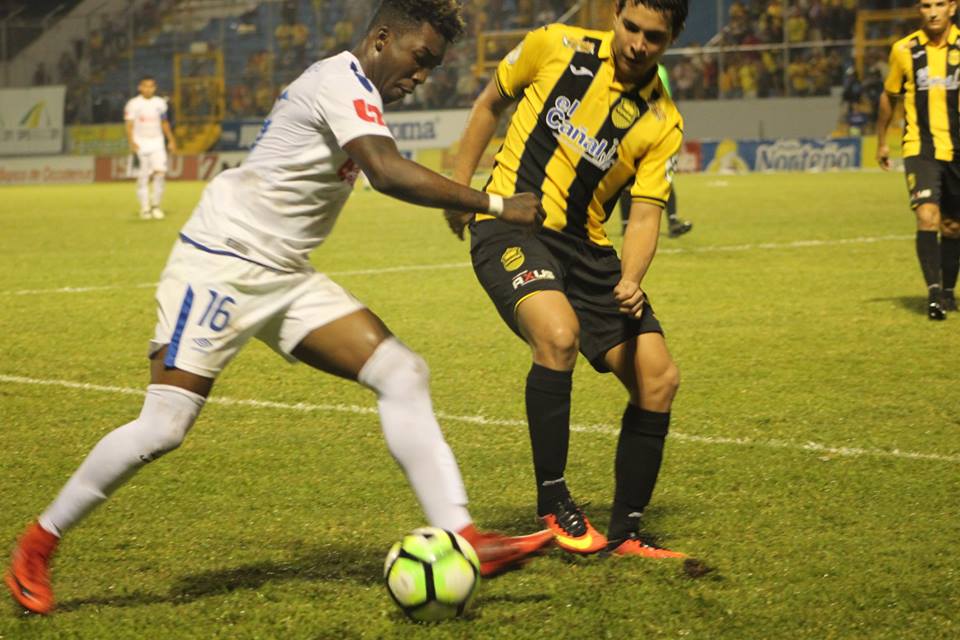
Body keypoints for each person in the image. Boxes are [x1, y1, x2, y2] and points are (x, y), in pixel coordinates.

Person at [5, 0, 552, 616]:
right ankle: (38, 543)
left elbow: (384, 167)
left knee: (401, 371)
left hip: (283, 274)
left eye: (431, 65)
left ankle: (463, 535)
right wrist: (497, 204)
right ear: (380, 39)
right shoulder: (338, 81)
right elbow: (386, 172)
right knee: (163, 425)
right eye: (419, 58)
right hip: (221, 264)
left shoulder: (358, 92)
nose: (422, 74)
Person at [444, 0, 689, 558]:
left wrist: (632, 276)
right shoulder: (554, 45)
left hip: (590, 251)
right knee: (557, 336)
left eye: (653, 37)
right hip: (510, 226)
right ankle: (553, 501)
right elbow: (488, 105)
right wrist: (461, 191)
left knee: (659, 378)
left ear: (669, 41)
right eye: (630, 27)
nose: (636, 44)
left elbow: (646, 212)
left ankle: (627, 532)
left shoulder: (662, 121)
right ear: (617, 15)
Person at [876, 0, 960, 320]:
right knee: (928, 216)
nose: (933, 11)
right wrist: (882, 141)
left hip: (957, 149)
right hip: (920, 147)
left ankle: (949, 292)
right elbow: (889, 94)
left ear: (953, 8)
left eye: (940, 4)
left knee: (952, 226)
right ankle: (934, 295)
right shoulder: (904, 50)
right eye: (926, 5)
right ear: (918, 10)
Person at [619, 64, 692, 237]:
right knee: (655, 177)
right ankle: (671, 221)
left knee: (632, 178)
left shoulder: (634, 67)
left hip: (644, 128)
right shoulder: (660, 70)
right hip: (644, 128)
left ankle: (628, 224)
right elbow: (665, 101)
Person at [124, 76, 177, 220]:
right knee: (143, 177)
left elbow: (164, 123)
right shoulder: (133, 104)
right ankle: (145, 208)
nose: (148, 89)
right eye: (145, 86)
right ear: (140, 87)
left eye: (151, 86)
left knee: (160, 174)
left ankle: (156, 206)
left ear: (155, 88)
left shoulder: (160, 103)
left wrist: (171, 140)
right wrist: (132, 142)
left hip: (157, 143)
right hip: (140, 143)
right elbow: (129, 125)